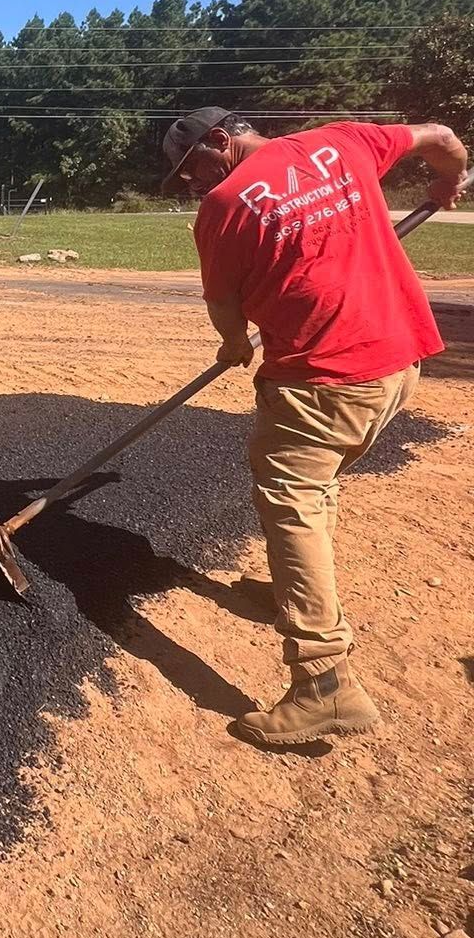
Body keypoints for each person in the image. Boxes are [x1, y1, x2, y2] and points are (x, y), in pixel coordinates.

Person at [161, 105, 467, 747]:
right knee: (317, 483)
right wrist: (446, 183)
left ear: (222, 139)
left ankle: (324, 684)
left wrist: (233, 344)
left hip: (324, 378)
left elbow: (224, 302)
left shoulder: (225, 204)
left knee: (293, 497)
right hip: (396, 364)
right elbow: (440, 139)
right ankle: (288, 587)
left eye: (192, 167)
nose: (192, 181)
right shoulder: (343, 143)